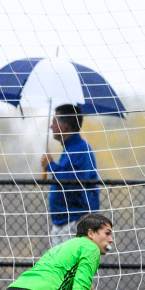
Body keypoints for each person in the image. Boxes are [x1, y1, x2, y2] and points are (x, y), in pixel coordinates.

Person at [41, 104, 100, 246]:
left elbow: (72, 182)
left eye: (54, 122)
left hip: (75, 222)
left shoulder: (80, 149)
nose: (51, 126)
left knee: (72, 266)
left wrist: (51, 166)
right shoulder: (70, 149)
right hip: (64, 222)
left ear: (65, 126)